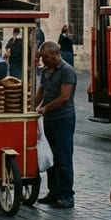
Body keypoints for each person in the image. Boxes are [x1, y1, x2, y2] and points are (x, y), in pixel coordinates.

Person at [35, 41, 77, 209]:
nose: (43, 60)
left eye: (45, 57)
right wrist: (32, 106)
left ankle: (67, 194)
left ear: (55, 54)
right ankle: (54, 192)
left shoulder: (67, 71)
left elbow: (65, 97)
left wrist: (45, 108)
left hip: (63, 119)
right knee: (51, 156)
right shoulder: (47, 71)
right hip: (49, 119)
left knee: (64, 157)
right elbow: (41, 91)